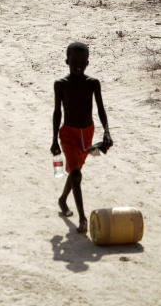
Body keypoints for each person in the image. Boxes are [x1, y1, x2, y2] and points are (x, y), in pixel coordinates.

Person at [51, 42, 112, 234]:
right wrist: (54, 140)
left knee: (75, 172)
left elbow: (101, 109)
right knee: (76, 174)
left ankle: (62, 199)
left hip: (87, 132)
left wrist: (107, 131)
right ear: (67, 61)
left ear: (87, 63)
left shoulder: (93, 83)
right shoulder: (61, 84)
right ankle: (83, 218)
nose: (78, 66)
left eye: (82, 63)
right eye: (74, 62)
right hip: (68, 133)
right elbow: (57, 112)